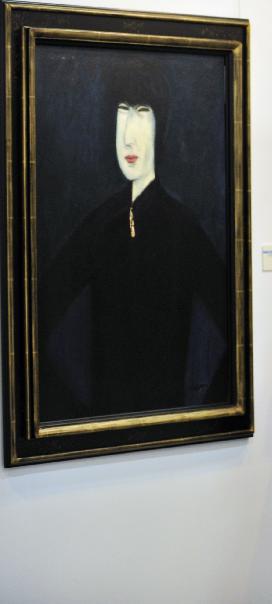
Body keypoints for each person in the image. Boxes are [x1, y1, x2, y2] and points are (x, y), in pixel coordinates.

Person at [37, 62, 228, 421]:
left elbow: (234, 325)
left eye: (142, 114)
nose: (128, 135)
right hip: (100, 431)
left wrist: (204, 409)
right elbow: (35, 317)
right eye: (122, 114)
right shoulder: (99, 224)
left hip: (172, 427)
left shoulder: (182, 226)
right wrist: (75, 413)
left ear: (161, 125)